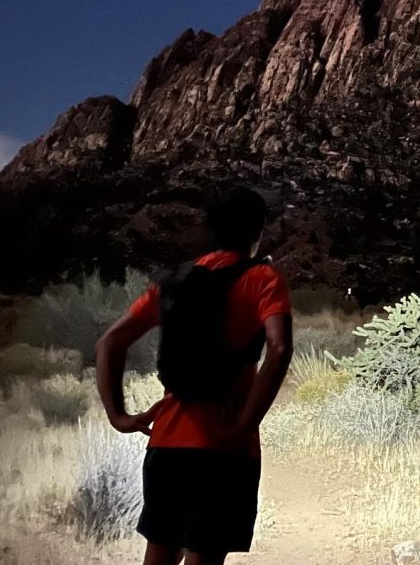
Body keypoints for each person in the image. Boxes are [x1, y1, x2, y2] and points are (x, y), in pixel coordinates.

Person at [95, 187, 294, 565]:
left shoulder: (173, 282)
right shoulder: (263, 279)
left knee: (159, 554)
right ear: (257, 231)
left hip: (167, 442)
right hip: (225, 446)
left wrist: (119, 417)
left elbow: (108, 344)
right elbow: (280, 347)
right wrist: (244, 424)